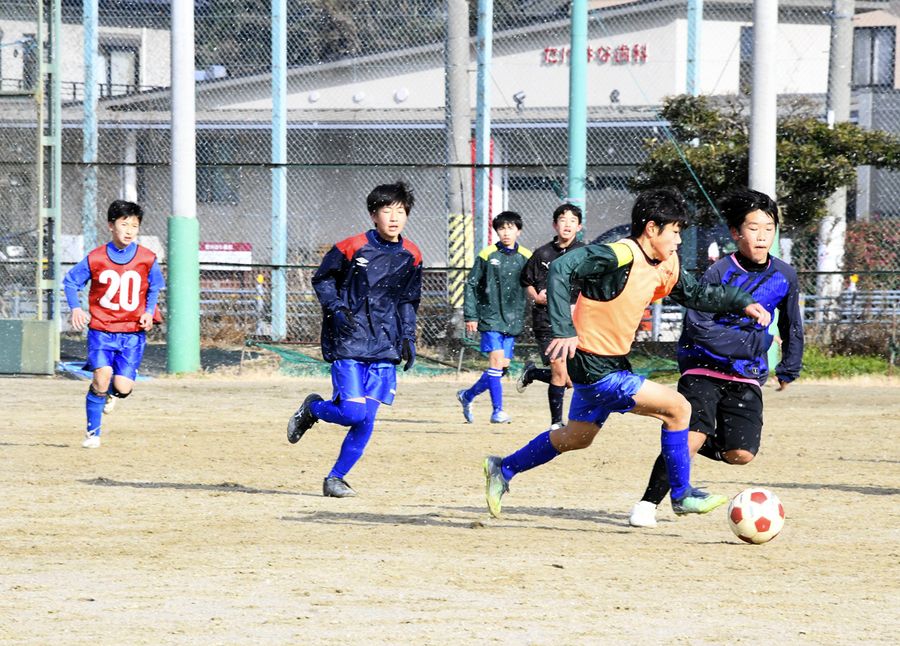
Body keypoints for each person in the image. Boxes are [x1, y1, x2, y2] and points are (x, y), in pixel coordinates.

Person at [482, 188, 772, 520]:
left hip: (611, 360)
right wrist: (563, 328)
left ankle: (502, 468)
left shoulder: (665, 263)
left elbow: (694, 293)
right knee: (679, 409)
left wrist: (741, 300)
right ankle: (682, 494)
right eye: (674, 231)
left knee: (578, 437)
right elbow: (560, 269)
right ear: (652, 229)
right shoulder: (618, 255)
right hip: (593, 365)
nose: (678, 240)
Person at [629, 188, 803, 527]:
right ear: (736, 233)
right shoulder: (719, 272)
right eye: (753, 228)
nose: (762, 235)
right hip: (703, 367)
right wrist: (758, 340)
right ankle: (647, 504)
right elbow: (699, 328)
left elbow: (794, 324)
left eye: (769, 228)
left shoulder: (785, 275)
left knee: (742, 455)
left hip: (747, 373)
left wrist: (789, 366)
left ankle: (683, 441)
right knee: (691, 436)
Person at [286, 181, 422, 498]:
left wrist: (408, 336)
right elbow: (323, 279)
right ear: (374, 214)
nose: (393, 217)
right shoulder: (351, 247)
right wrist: (335, 309)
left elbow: (408, 300)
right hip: (349, 339)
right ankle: (313, 409)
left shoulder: (412, 255)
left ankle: (335, 479)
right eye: (386, 210)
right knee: (352, 413)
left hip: (386, 345)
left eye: (400, 211)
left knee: (366, 419)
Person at [62, 200, 165, 449]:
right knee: (101, 376)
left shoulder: (147, 258)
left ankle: (112, 394)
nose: (129, 230)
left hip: (132, 333)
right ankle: (93, 434)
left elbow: (155, 287)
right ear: (111, 225)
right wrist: (76, 307)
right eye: (124, 224)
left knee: (122, 387)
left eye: (135, 225)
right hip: (101, 330)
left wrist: (148, 312)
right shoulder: (96, 257)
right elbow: (70, 282)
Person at [456, 212, 532, 424]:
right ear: (496, 231)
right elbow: (471, 285)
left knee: (501, 368)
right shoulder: (487, 255)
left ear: (519, 231)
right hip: (490, 318)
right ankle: (497, 411)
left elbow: (534, 284)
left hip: (513, 319)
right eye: (502, 228)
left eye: (510, 228)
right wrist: (471, 315)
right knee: (496, 363)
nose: (506, 232)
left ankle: (467, 395)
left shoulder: (526, 256)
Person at [516, 203, 585, 431]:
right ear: (555, 225)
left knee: (571, 379)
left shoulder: (584, 253)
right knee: (558, 370)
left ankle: (533, 372)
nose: (567, 224)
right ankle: (556, 423)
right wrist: (536, 298)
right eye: (563, 220)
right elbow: (526, 281)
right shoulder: (542, 254)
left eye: (572, 220)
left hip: (576, 321)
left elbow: (592, 284)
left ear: (579, 226)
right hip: (546, 319)